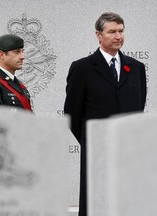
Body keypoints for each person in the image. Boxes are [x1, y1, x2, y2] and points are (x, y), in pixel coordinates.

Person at [64, 12, 147, 216]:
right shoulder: (82, 68)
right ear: (98, 35)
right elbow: (72, 113)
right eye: (112, 32)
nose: (118, 36)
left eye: (121, 31)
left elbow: (139, 107)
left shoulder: (136, 68)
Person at [0, 34, 32, 111]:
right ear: (1, 55)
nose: (22, 56)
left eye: (22, 51)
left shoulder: (18, 84)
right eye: (17, 52)